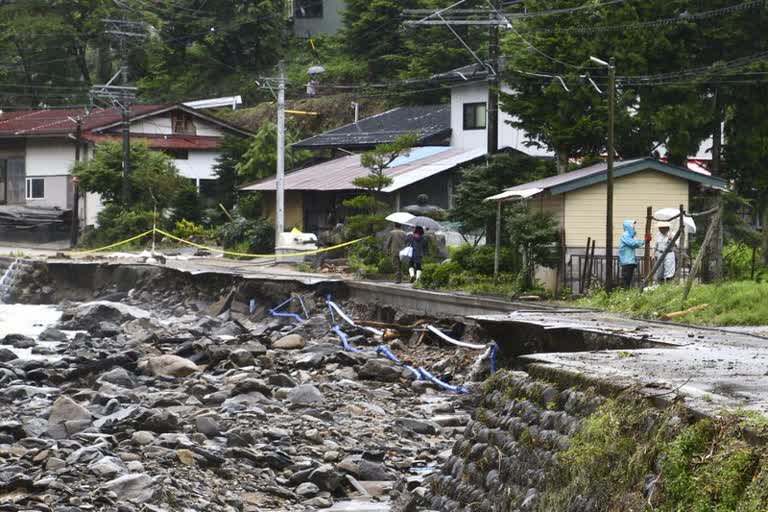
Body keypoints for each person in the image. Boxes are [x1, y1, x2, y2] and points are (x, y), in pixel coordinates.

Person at [619, 219, 651, 288]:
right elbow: (633, 243)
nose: (633, 227)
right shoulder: (625, 235)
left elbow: (635, 242)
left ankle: (626, 292)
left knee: (629, 279)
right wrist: (644, 241)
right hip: (626, 261)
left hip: (630, 261)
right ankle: (625, 293)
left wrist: (643, 240)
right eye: (632, 225)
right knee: (626, 280)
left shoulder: (630, 235)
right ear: (628, 226)